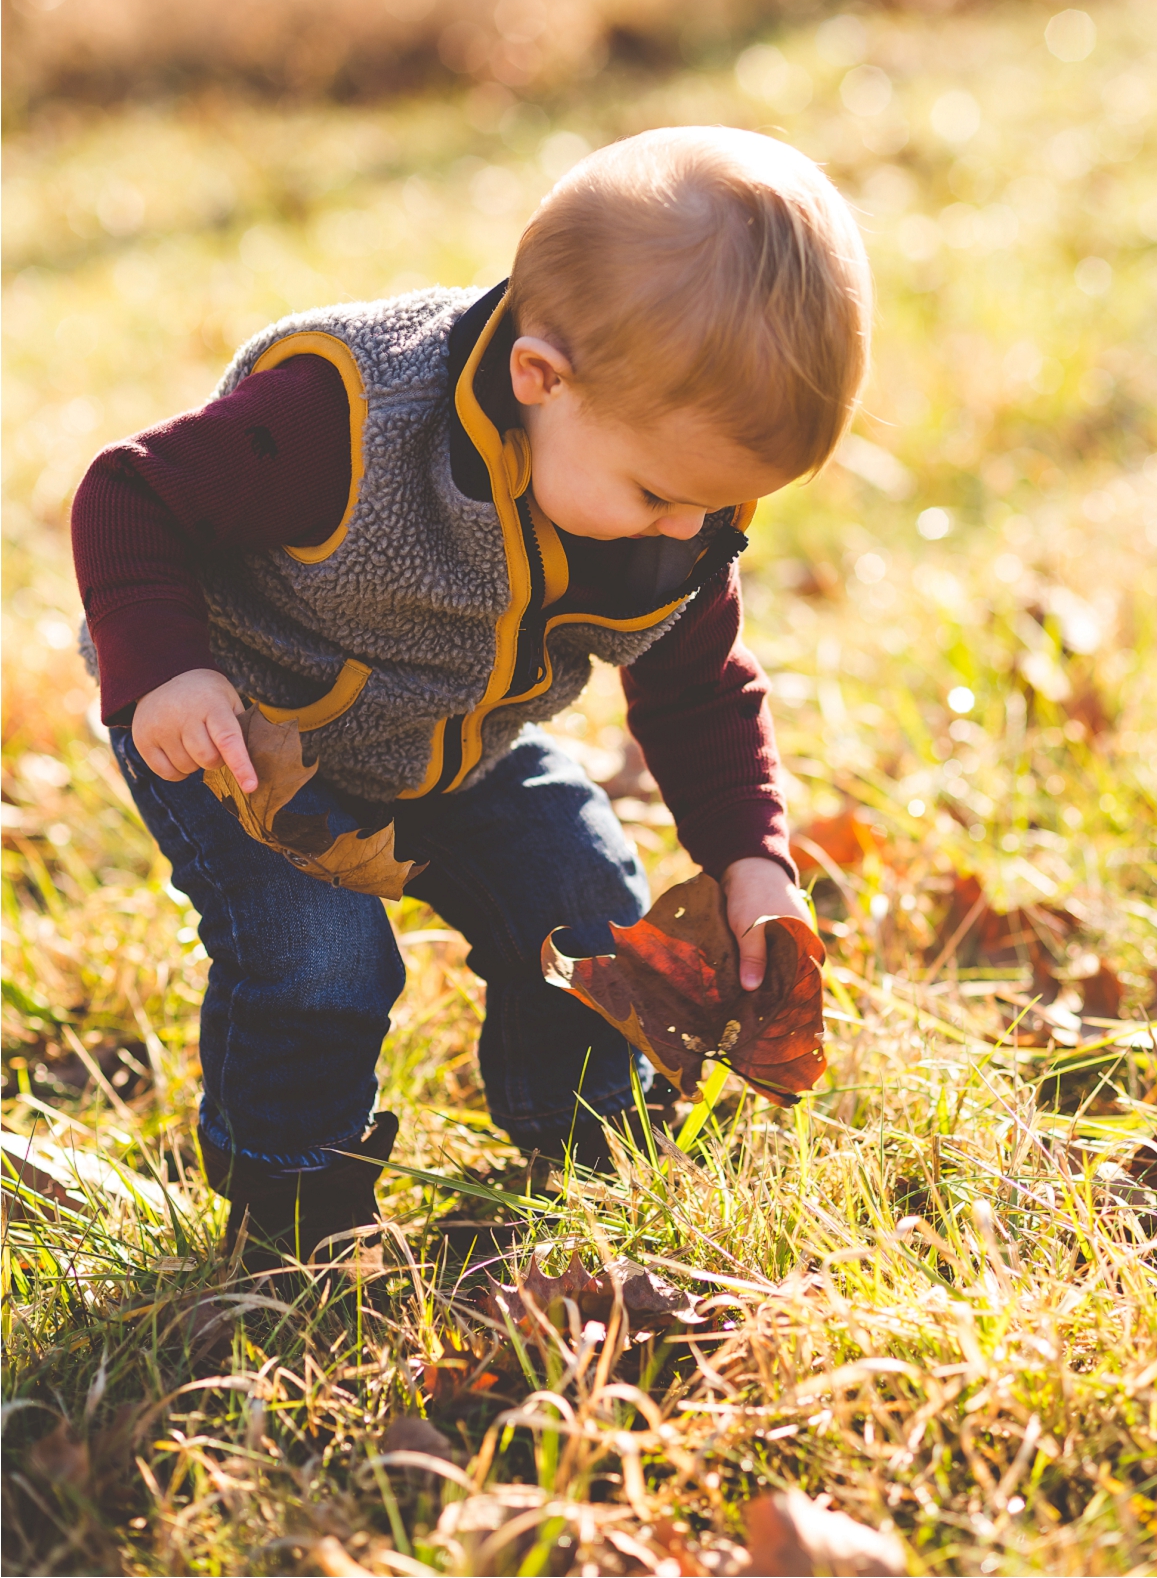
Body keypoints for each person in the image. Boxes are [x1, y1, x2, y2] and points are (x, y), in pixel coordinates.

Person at [72, 126, 872, 1268]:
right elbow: (129, 493)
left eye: (723, 507)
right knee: (321, 957)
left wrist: (754, 857)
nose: (691, 532)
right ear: (540, 379)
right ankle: (293, 1211)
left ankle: (591, 1143)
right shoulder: (343, 419)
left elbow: (699, 689)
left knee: (584, 899)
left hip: (450, 745)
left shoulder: (672, 513)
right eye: (660, 493)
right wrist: (165, 669)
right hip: (237, 727)